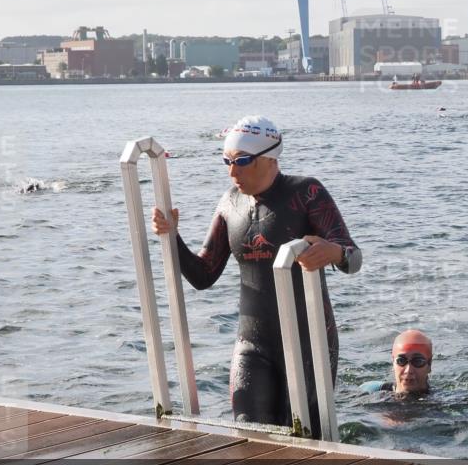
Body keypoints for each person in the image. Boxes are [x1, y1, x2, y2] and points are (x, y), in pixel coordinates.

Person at [151, 115, 362, 431]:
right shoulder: (230, 202)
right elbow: (204, 275)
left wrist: (334, 253)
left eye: (241, 161)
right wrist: (172, 236)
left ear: (269, 158)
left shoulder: (307, 192)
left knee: (307, 439)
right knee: (248, 436)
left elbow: (354, 258)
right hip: (252, 345)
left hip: (309, 344)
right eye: (227, 161)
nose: (232, 171)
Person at [361, 329, 433, 397]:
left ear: (429, 364)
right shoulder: (371, 390)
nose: (408, 370)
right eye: (401, 361)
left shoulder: (437, 401)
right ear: (393, 363)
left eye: (418, 361)